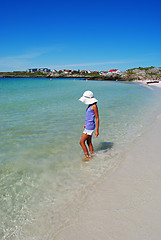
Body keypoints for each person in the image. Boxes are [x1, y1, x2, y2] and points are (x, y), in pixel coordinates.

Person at [79, 90, 99, 161]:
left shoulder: (94, 106)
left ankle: (87, 156)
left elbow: (97, 118)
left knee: (81, 142)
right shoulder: (90, 105)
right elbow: (89, 116)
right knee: (88, 142)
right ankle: (92, 154)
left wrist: (97, 130)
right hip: (88, 125)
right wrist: (85, 124)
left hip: (90, 127)